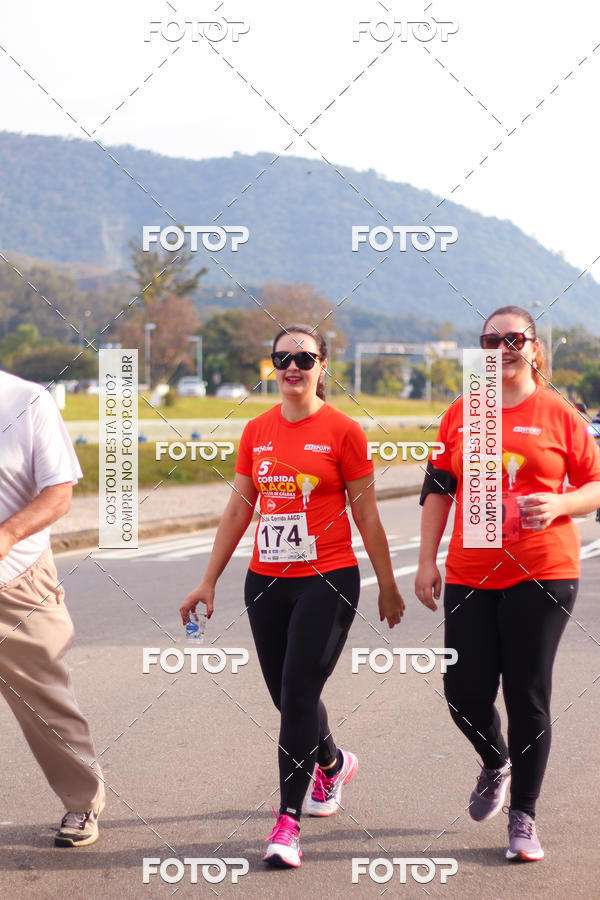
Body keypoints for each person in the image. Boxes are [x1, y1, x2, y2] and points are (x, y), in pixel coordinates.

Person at [181, 324, 404, 868]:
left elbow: (367, 513)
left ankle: (287, 822)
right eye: (282, 358)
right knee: (287, 698)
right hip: (266, 581)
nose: (293, 367)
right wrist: (208, 579)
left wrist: (389, 584)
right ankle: (332, 763)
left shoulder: (343, 431)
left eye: (304, 357)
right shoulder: (256, 429)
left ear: (323, 365)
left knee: (299, 695)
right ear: (272, 365)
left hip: (327, 579)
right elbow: (239, 509)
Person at [415, 306, 600, 862]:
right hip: (471, 575)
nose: (502, 348)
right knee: (464, 692)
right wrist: (427, 560)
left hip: (544, 572)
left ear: (535, 349)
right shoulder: (462, 413)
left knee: (527, 694)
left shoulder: (560, 414)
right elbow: (439, 489)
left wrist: (562, 501)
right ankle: (497, 761)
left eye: (514, 338)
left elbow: (595, 484)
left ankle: (524, 816)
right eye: (490, 340)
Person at [0, 370, 105, 846]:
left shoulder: (25, 400)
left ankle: (82, 804)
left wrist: (8, 533)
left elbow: (59, 493)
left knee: (46, 702)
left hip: (16, 579)